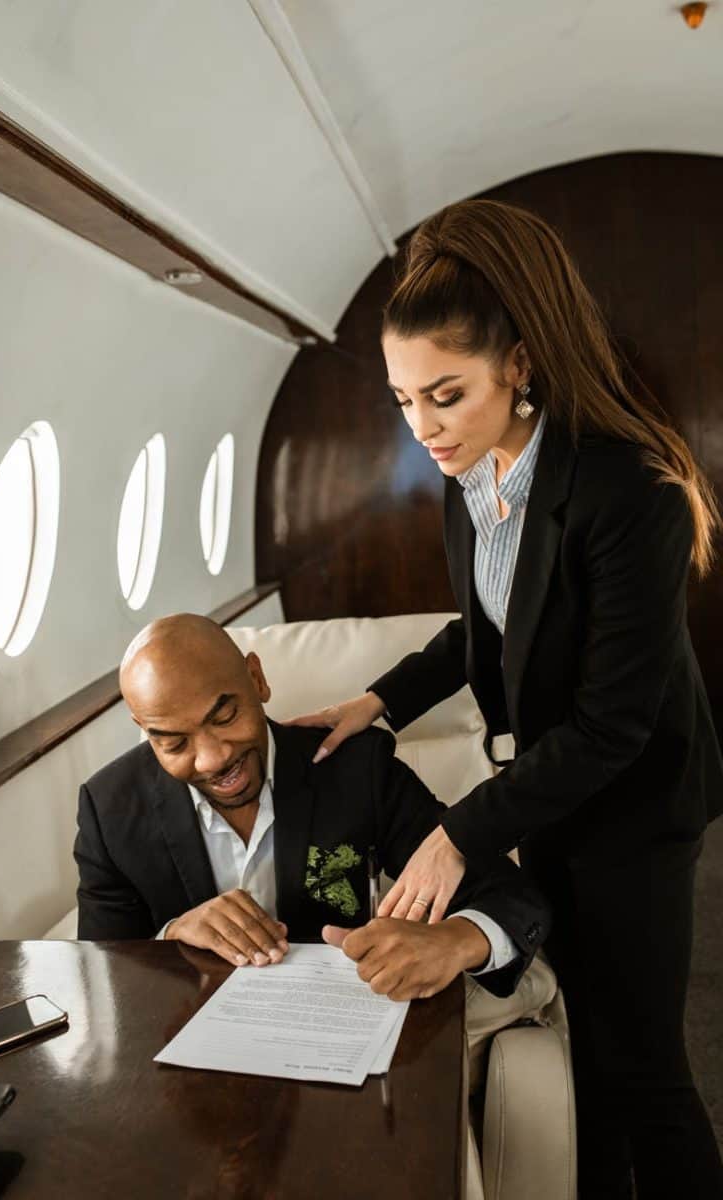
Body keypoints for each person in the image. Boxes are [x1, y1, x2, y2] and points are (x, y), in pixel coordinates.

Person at [289, 199, 723, 1198]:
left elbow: (612, 726)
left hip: (636, 806)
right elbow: (486, 628)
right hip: (553, 793)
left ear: (519, 366)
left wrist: (457, 835)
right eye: (404, 400)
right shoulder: (473, 475)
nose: (422, 428)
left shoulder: (632, 492)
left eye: (445, 396)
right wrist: (376, 702)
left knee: (644, 1068)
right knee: (587, 1055)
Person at [74, 613, 549, 1003]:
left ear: (257, 679)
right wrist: (171, 937)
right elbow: (98, 971)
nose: (213, 758)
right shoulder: (108, 809)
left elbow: (511, 895)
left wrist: (457, 940)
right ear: (145, 729)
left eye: (225, 717)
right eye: (175, 743)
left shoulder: (356, 770)